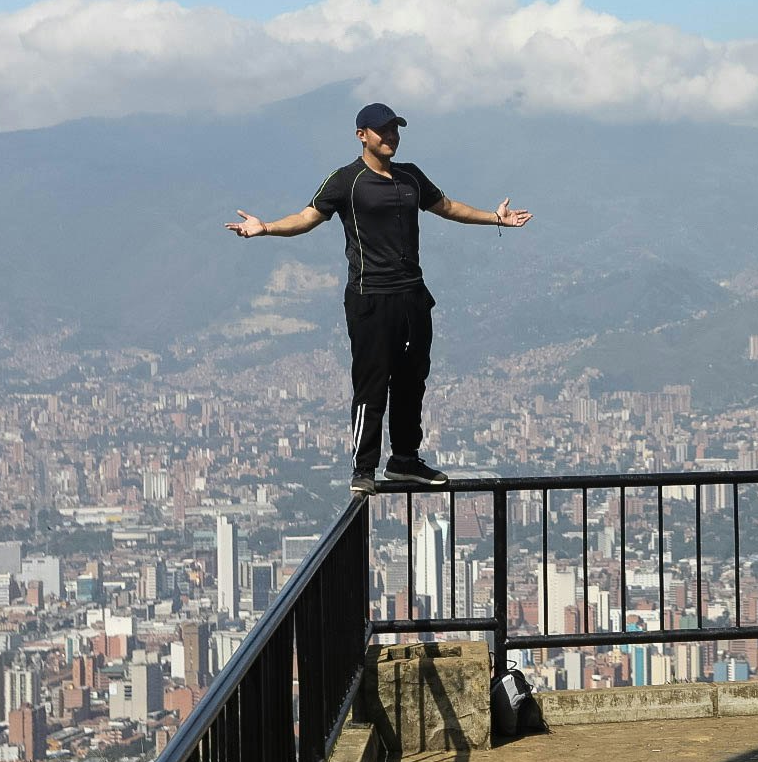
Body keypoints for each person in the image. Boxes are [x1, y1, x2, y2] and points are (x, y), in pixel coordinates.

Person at [225, 102, 533, 495]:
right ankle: (364, 468)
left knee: (412, 380)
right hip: (370, 297)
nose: (391, 136)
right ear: (362, 135)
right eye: (383, 130)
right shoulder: (346, 181)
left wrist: (496, 218)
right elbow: (307, 217)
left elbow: (448, 207)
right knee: (371, 383)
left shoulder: (410, 176)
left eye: (395, 130)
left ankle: (404, 459)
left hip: (413, 296)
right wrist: (266, 227)